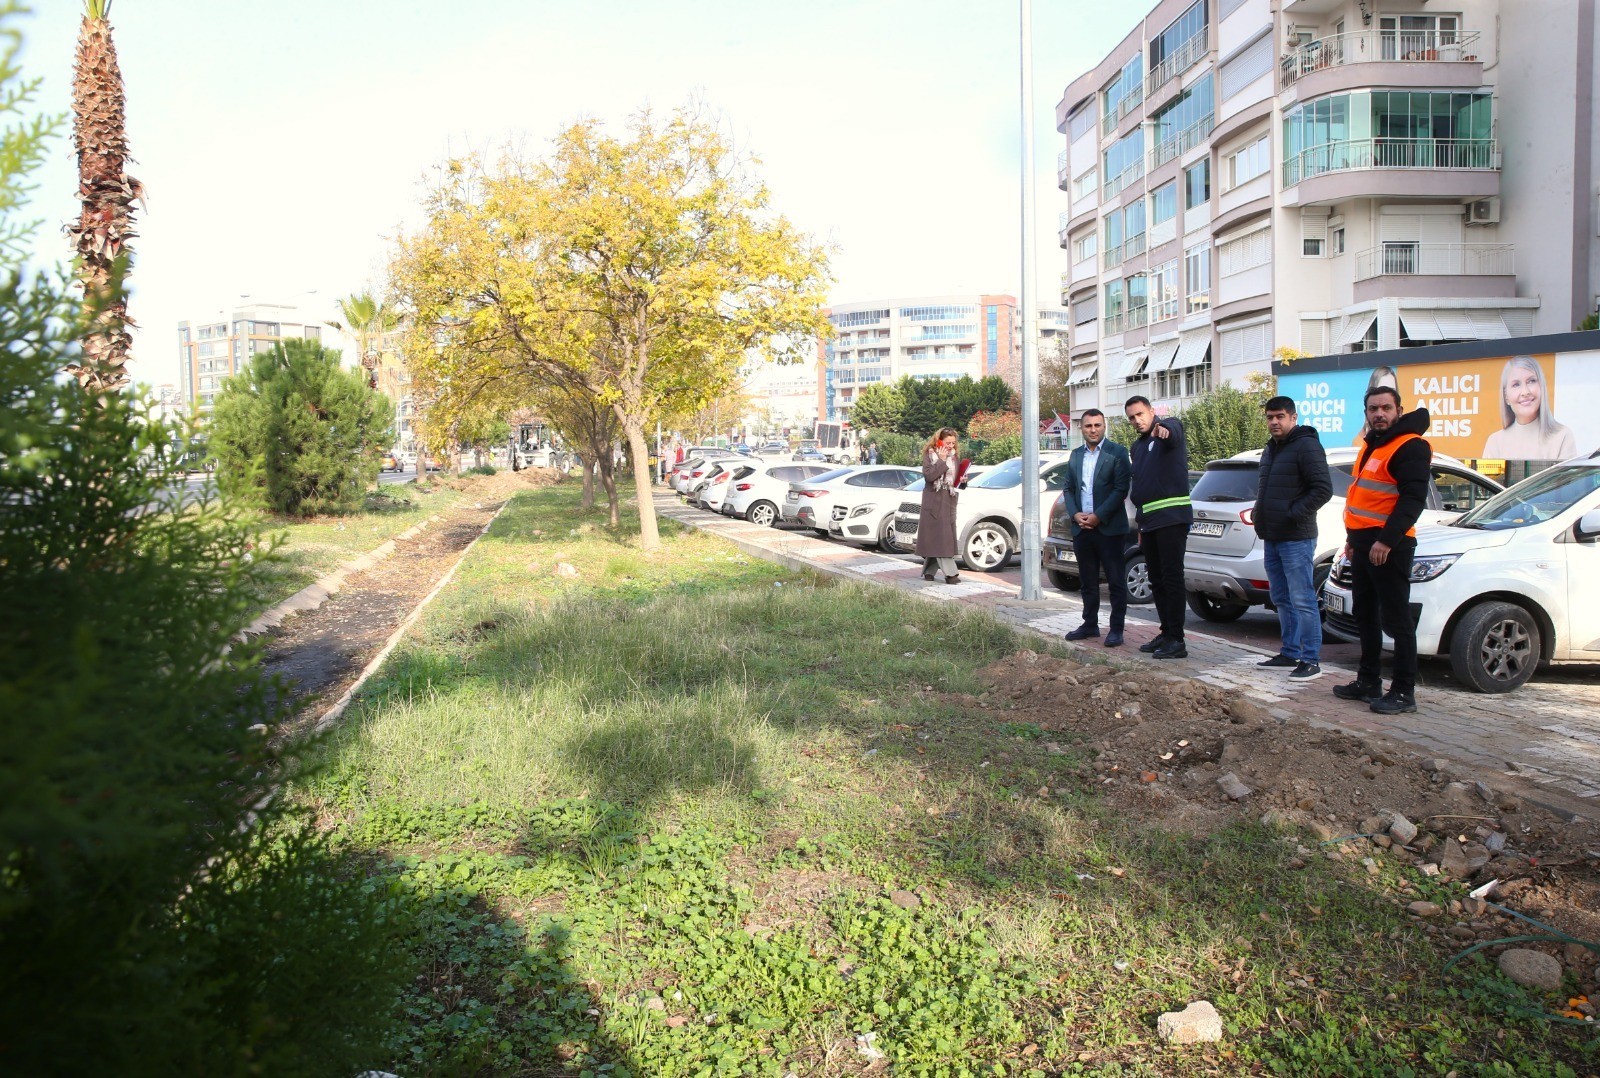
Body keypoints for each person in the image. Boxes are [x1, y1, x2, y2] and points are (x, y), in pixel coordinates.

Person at [1334, 385, 1432, 715]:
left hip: (1390, 546)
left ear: (1398, 411)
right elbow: (1365, 499)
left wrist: (1386, 541)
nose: (1379, 414)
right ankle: (1368, 681)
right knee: (1364, 614)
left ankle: (1404, 692)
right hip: (1363, 545)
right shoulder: (1373, 445)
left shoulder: (1410, 446)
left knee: (1397, 619)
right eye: (1373, 409)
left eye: (1386, 408)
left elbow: (1412, 500)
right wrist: (1352, 539)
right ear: (1366, 413)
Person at [1254, 396, 1333, 682]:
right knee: (1281, 598)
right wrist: (1261, 516)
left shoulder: (1306, 445)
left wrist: (1291, 513)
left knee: (1302, 599)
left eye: (1280, 416)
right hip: (1272, 535)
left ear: (1293, 417)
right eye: (1270, 417)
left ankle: (1310, 659)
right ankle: (1289, 652)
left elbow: (1322, 489)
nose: (1274, 422)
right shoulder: (1271, 449)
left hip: (1296, 537)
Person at [1124, 396, 1191, 658]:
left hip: (1172, 519)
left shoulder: (1168, 428)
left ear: (1152, 412)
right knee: (1157, 581)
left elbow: (1173, 431)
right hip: (1149, 522)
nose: (1136, 420)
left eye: (1140, 414)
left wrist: (1165, 429)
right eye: (1131, 417)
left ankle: (1177, 640)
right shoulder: (1137, 447)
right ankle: (1166, 632)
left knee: (1172, 578)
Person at [1059, 409, 1132, 648]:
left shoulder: (1117, 452)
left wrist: (1099, 516)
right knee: (1088, 582)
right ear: (1081, 428)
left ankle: (1116, 629)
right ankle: (1090, 624)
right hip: (1082, 528)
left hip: (1109, 528)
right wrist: (1075, 514)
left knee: (1115, 581)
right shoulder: (1076, 455)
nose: (1093, 430)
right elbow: (1068, 488)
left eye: (1097, 425)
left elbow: (1121, 489)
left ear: (1104, 426)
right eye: (1089, 426)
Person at [1481, 355, 1576, 460]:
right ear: (1506, 396)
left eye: (1531, 381)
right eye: (1516, 385)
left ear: (1542, 387)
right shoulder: (1495, 442)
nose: (1525, 392)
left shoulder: (1562, 436)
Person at [915, 427, 962, 584]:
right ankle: (951, 575)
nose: (950, 446)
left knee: (939, 537)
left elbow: (954, 482)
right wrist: (941, 460)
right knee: (942, 538)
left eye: (953, 443)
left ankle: (929, 571)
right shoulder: (930, 454)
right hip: (934, 498)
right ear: (939, 441)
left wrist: (962, 480)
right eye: (948, 442)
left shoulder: (954, 457)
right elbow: (929, 476)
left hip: (948, 498)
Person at [1352, 366, 1397, 446]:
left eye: (1391, 390)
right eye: (1381, 389)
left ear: (1399, 410)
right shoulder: (1360, 443)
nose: (1380, 414)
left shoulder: (1408, 441)